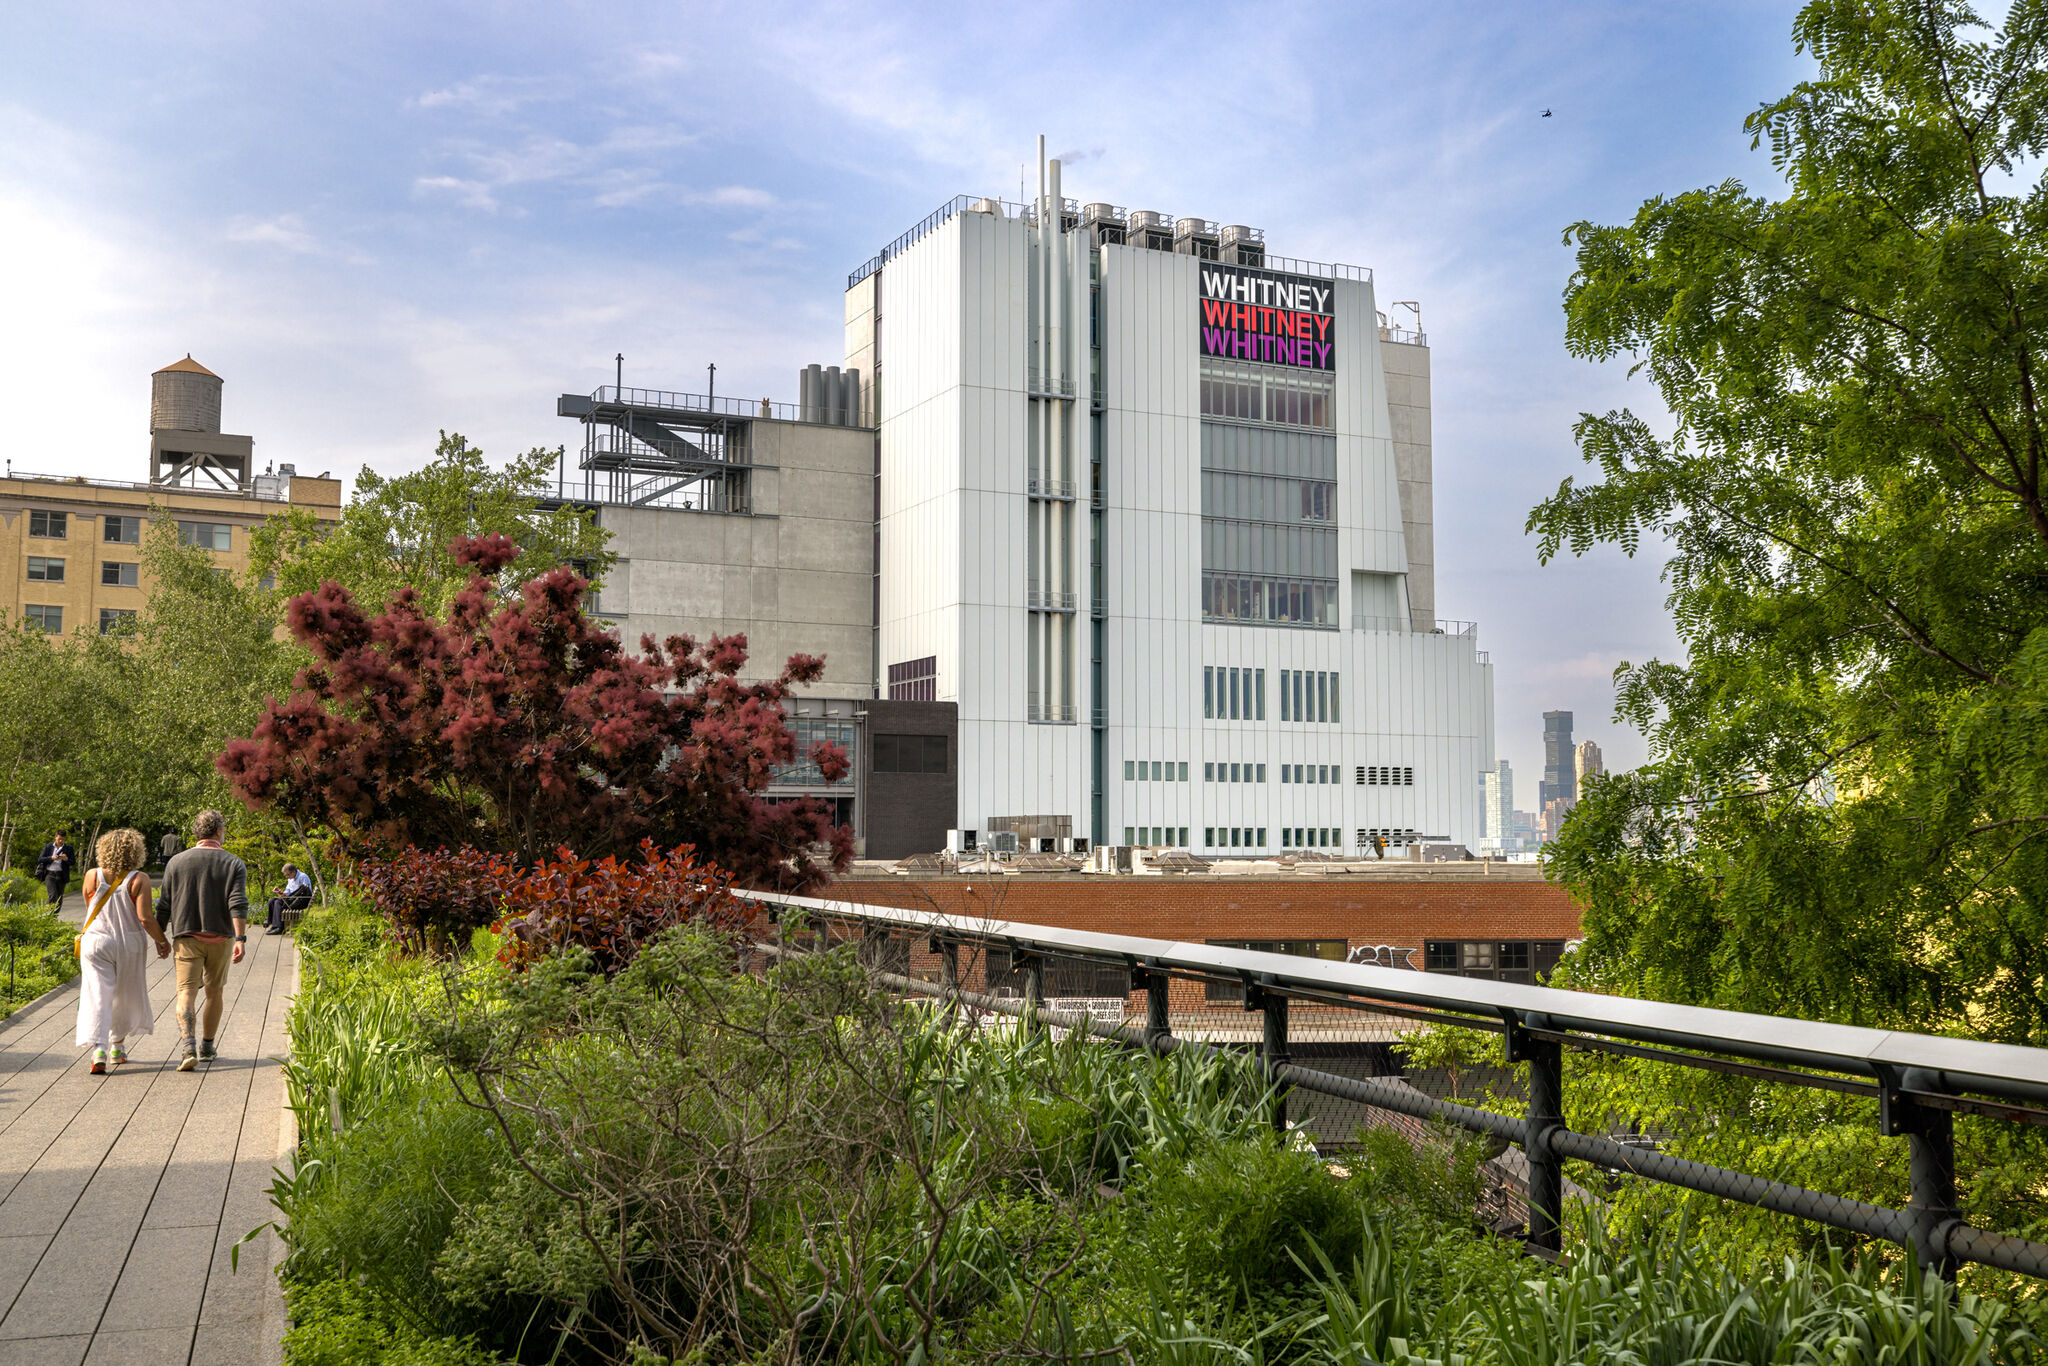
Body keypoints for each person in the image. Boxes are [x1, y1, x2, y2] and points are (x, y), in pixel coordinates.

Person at [157, 809, 248, 1071]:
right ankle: (207, 1046)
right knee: (214, 992)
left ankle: (188, 1046)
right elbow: (238, 902)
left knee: (185, 993)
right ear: (219, 831)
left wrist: (160, 937)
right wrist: (240, 937)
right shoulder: (233, 863)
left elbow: (164, 904)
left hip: (186, 937)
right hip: (220, 938)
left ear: (196, 833)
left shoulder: (176, 862)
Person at [75, 829, 171, 1074]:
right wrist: (162, 941)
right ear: (136, 851)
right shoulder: (140, 879)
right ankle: (117, 1047)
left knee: (97, 994)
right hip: (129, 943)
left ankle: (99, 1050)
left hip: (96, 941)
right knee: (125, 994)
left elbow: (91, 908)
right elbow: (145, 918)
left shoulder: (92, 876)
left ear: (103, 849)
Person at [264, 863, 312, 934]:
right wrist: (281, 893)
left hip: (300, 901)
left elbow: (306, 891)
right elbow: (288, 892)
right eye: (286, 875)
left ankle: (279, 928)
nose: (287, 877)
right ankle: (273, 925)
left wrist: (290, 896)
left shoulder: (303, 877)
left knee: (278, 902)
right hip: (291, 899)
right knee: (271, 900)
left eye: (288, 874)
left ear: (294, 872)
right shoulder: (290, 879)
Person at [34, 831, 74, 909]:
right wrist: (51, 858)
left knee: (59, 898)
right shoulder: (49, 846)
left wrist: (66, 859)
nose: (60, 841)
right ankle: (49, 914)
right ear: (55, 837)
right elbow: (40, 859)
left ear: (65, 839)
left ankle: (54, 916)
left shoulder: (68, 848)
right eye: (59, 839)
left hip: (62, 875)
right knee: (52, 895)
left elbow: (72, 862)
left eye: (62, 839)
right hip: (50, 874)